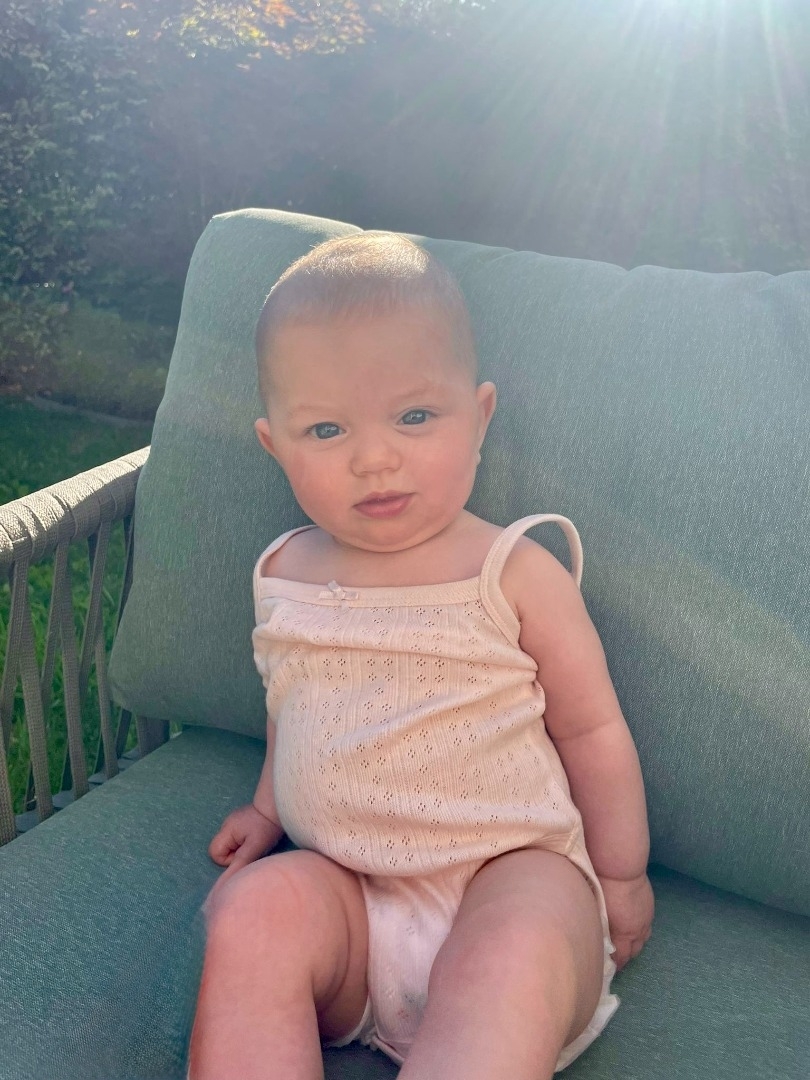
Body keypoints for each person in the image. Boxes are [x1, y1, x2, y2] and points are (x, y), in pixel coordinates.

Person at [188, 233, 654, 1080]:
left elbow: (592, 731)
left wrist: (620, 876)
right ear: (275, 446)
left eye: (414, 417)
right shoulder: (282, 571)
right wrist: (265, 810)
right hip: (351, 905)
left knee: (519, 942)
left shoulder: (514, 570)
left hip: (507, 878)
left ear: (479, 418)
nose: (374, 458)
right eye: (326, 429)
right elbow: (294, 703)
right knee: (250, 909)